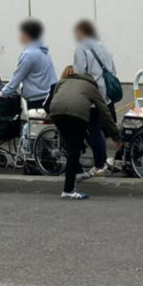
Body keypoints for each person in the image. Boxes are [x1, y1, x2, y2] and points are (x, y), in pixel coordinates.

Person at [45, 66, 119, 200]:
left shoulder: (63, 81)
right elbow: (105, 112)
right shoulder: (90, 86)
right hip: (77, 114)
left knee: (71, 147)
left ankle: (77, 172)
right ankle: (68, 190)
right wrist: (116, 135)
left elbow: (51, 99)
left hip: (56, 112)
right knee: (74, 149)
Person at [72, 19, 118, 177]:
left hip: (91, 93)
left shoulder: (81, 49)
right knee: (104, 127)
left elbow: (80, 73)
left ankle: (100, 165)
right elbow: (113, 69)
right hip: (105, 96)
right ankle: (107, 161)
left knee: (93, 129)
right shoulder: (102, 46)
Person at [0, 19, 58, 110]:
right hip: (50, 96)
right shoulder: (44, 51)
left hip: (36, 100)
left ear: (27, 35)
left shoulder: (29, 54)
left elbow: (17, 77)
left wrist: (2, 93)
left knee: (36, 123)